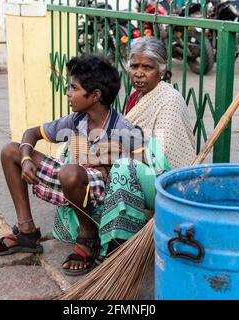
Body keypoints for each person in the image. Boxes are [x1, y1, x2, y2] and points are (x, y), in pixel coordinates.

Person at [0, 54, 145, 276]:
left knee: (70, 172)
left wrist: (108, 164)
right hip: (73, 182)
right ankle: (27, 232)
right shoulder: (76, 120)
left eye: (74, 88)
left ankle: (88, 236)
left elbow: (143, 167)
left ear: (95, 95)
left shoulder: (123, 127)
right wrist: (26, 159)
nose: (68, 93)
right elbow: (31, 133)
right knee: (11, 150)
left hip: (104, 196)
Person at [91, 36, 196, 261]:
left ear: (162, 71)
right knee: (81, 151)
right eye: (134, 66)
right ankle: (88, 233)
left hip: (167, 182)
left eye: (147, 67)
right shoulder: (136, 96)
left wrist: (113, 155)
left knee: (122, 167)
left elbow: (161, 160)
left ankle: (119, 245)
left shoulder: (169, 100)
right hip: (143, 167)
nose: (139, 73)